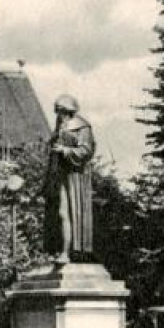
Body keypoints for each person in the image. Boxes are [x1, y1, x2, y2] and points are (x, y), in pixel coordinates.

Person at [43, 94, 95, 262]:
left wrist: (65, 151)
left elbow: (86, 151)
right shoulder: (58, 129)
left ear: (68, 112)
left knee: (66, 212)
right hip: (58, 177)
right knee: (57, 214)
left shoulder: (82, 127)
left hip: (74, 178)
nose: (58, 115)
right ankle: (59, 250)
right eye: (57, 112)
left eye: (61, 112)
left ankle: (67, 252)